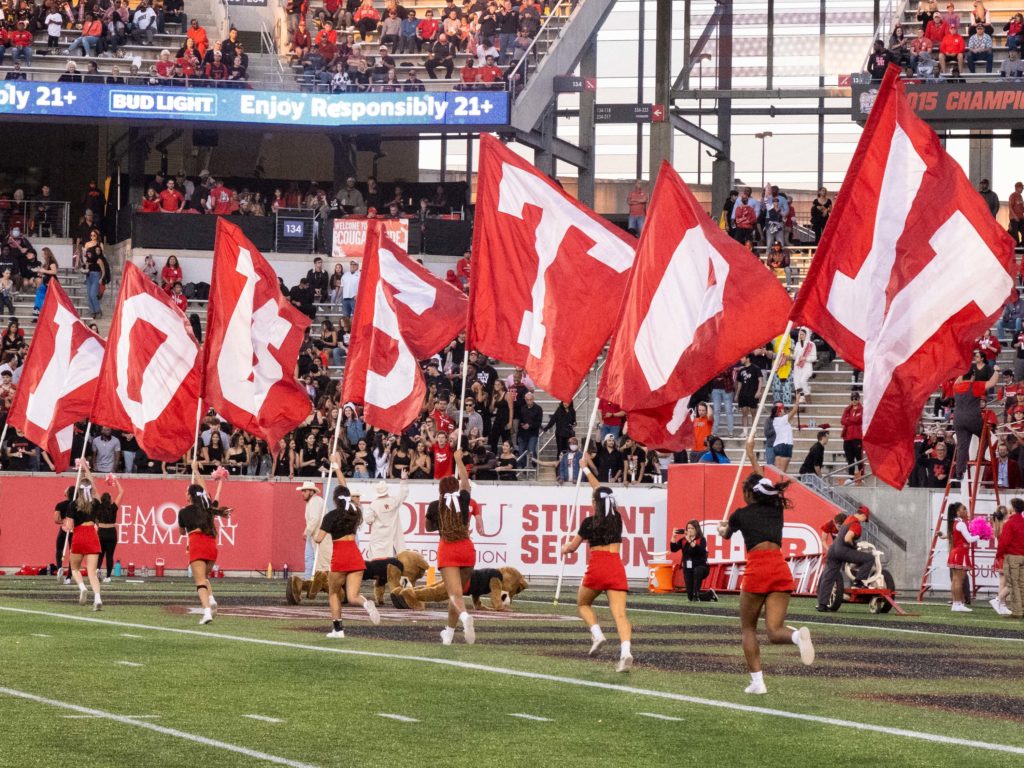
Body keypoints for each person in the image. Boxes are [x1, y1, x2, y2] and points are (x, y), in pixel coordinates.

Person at [717, 439, 814, 694]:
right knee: (775, 630)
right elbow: (762, 483)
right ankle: (795, 636)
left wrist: (722, 529)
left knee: (748, 628)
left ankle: (758, 683)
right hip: (780, 568)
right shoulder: (776, 509)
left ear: (749, 494)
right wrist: (751, 457)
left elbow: (727, 535)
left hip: (757, 570)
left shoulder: (740, 514)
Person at [560, 455, 634, 671]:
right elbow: (602, 492)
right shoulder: (616, 518)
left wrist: (564, 548)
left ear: (595, 503)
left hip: (598, 567)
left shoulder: (588, 522)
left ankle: (597, 634)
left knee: (582, 604)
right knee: (620, 614)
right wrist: (586, 470)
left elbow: (572, 548)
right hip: (616, 566)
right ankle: (626, 651)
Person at [313, 458, 381, 637]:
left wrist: (316, 531)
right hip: (355, 554)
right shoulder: (355, 511)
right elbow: (345, 488)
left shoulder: (331, 515)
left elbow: (319, 539)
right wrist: (337, 469)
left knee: (334, 593)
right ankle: (366, 603)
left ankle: (338, 629)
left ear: (335, 499)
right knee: (353, 596)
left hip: (340, 555)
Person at [425, 449, 478, 644]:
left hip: (448, 551)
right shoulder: (464, 500)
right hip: (467, 550)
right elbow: (465, 480)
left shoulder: (434, 506)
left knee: (454, 595)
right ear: (456, 488)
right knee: (458, 595)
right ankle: (448, 633)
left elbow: (428, 527)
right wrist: (458, 460)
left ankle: (465, 618)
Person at [177, 462, 230, 625]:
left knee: (199, 581)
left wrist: (195, 471)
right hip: (211, 546)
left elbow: (181, 532)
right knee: (204, 577)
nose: (186, 494)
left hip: (197, 544)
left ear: (190, 496)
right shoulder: (208, 508)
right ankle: (212, 599)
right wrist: (196, 471)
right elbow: (207, 490)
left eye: (187, 492)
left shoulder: (184, 511)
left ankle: (207, 611)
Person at [815, 506, 874, 611]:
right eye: (865, 519)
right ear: (863, 516)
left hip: (832, 550)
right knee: (869, 559)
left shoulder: (848, 519)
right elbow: (847, 539)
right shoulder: (856, 524)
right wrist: (853, 545)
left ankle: (822, 605)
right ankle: (858, 582)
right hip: (842, 550)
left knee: (828, 577)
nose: (864, 521)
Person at [65, 464, 104, 611]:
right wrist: (85, 470)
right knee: (92, 572)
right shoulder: (95, 502)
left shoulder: (73, 504)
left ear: (78, 490)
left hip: (79, 534)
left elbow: (69, 526)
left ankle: (82, 588)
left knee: (75, 569)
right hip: (92, 534)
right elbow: (93, 484)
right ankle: (98, 598)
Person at [945, 501, 982, 612]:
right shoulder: (960, 524)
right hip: (960, 553)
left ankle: (956, 604)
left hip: (956, 552)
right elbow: (969, 539)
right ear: (957, 512)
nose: (965, 510)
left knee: (956, 580)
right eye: (963, 509)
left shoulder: (955, 522)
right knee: (959, 580)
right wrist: (980, 535)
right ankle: (957, 604)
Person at [364, 472, 410, 559]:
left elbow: (368, 520)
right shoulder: (393, 501)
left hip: (379, 539)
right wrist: (403, 480)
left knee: (377, 564)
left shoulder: (374, 505)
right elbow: (404, 493)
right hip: (393, 538)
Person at [670, 520, 715, 602]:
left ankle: (696, 594)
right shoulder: (683, 540)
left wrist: (690, 540)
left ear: (696, 529)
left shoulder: (701, 540)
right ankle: (708, 594)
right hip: (688, 568)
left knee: (697, 571)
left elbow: (700, 551)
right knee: (690, 597)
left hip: (701, 567)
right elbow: (673, 549)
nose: (689, 530)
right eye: (688, 528)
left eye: (692, 528)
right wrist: (673, 536)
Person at [995, 497, 1024, 618]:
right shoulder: (1021, 521)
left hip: (1012, 556)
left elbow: (1004, 542)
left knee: (1012, 583)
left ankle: (999, 600)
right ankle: (1019, 608)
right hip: (1022, 555)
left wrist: (999, 554)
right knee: (1021, 584)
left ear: (1013, 507)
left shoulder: (1010, 522)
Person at [95, 476, 124, 583]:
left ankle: (97, 569)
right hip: (111, 533)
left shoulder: (98, 506)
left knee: (100, 554)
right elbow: (121, 492)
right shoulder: (113, 507)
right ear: (110, 499)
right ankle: (108, 576)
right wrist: (116, 481)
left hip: (101, 532)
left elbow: (94, 491)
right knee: (110, 555)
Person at [769, 398, 801, 473]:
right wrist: (797, 399)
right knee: (782, 472)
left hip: (777, 445)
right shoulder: (783, 419)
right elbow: (794, 410)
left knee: (778, 471)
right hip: (785, 445)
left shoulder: (774, 420)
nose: (784, 410)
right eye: (782, 409)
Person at [841, 392, 864, 483]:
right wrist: (852, 420)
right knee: (850, 459)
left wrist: (848, 419)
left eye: (856, 399)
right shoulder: (847, 409)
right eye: (852, 399)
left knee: (859, 458)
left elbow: (859, 419)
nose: (854, 400)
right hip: (847, 438)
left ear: (859, 399)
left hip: (857, 437)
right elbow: (842, 421)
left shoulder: (861, 409)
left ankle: (861, 477)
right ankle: (851, 478)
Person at [791, 328, 817, 403]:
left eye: (802, 334)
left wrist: (805, 358)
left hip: (807, 366)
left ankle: (807, 395)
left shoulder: (811, 344)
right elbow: (795, 356)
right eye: (800, 334)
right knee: (797, 383)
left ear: (806, 335)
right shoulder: (797, 344)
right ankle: (800, 398)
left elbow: (814, 357)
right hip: (798, 366)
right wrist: (790, 355)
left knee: (803, 380)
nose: (801, 336)